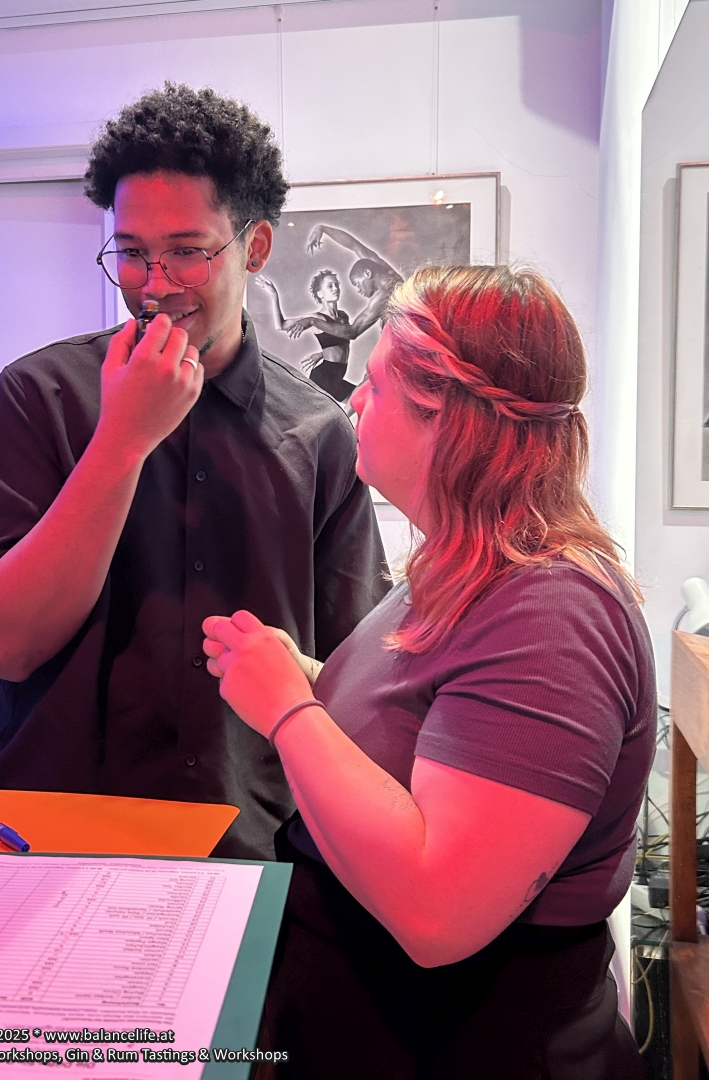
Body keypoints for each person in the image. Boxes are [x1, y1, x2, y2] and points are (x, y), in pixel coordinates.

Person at [203, 264, 655, 1077]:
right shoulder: (464, 568)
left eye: (376, 386)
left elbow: (438, 912)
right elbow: (429, 728)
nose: (354, 404)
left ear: (445, 419)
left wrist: (288, 711)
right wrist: (304, 674)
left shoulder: (552, 613)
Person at [0, 82, 389, 860]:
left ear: (255, 248)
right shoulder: (40, 397)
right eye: (131, 252)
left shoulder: (319, 432)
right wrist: (122, 438)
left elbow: (355, 684)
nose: (153, 284)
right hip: (47, 837)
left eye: (187, 251)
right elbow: (6, 647)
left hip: (248, 846)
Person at [283, 224, 402, 344]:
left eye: (357, 284)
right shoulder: (382, 269)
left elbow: (353, 331)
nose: (358, 290)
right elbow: (354, 245)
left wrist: (312, 321)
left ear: (367, 273)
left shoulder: (383, 296)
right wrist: (323, 229)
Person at [256, 269, 357, 406]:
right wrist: (274, 295)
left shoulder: (343, 316)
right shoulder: (315, 318)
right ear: (320, 294)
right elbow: (281, 325)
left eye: (336, 285)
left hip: (337, 376)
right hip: (325, 378)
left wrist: (321, 354)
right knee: (362, 400)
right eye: (330, 286)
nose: (335, 288)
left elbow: (341, 345)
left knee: (364, 400)